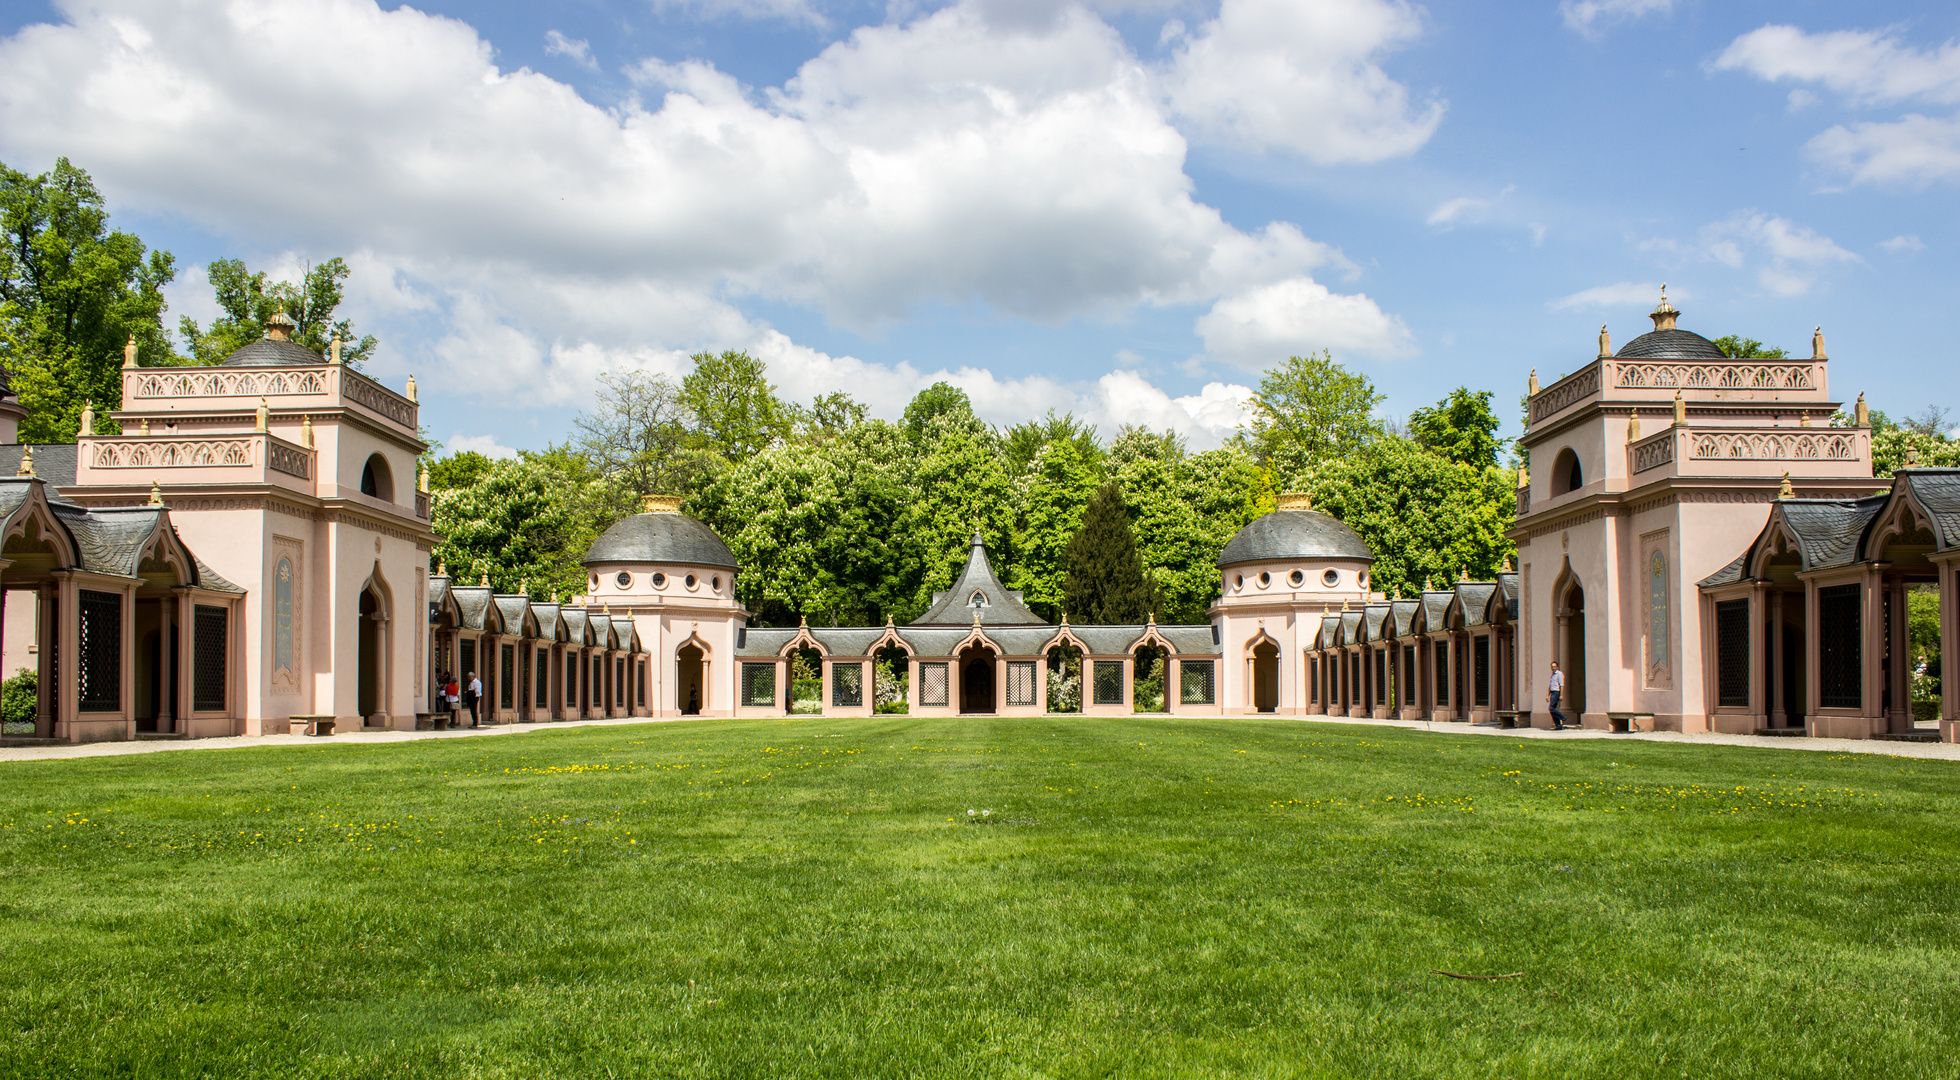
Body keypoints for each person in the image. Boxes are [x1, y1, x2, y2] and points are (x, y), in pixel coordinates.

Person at [1547, 661, 1567, 730]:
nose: (1553, 668)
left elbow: (1561, 685)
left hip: (1556, 692)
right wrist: (1547, 695)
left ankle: (1562, 717)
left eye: (1554, 667)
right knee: (1552, 709)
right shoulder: (1552, 675)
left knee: (1551, 708)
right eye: (1552, 667)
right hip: (1552, 692)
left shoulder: (1559, 674)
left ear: (1557, 667)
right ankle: (1558, 725)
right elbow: (1550, 686)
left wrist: (1561, 695)